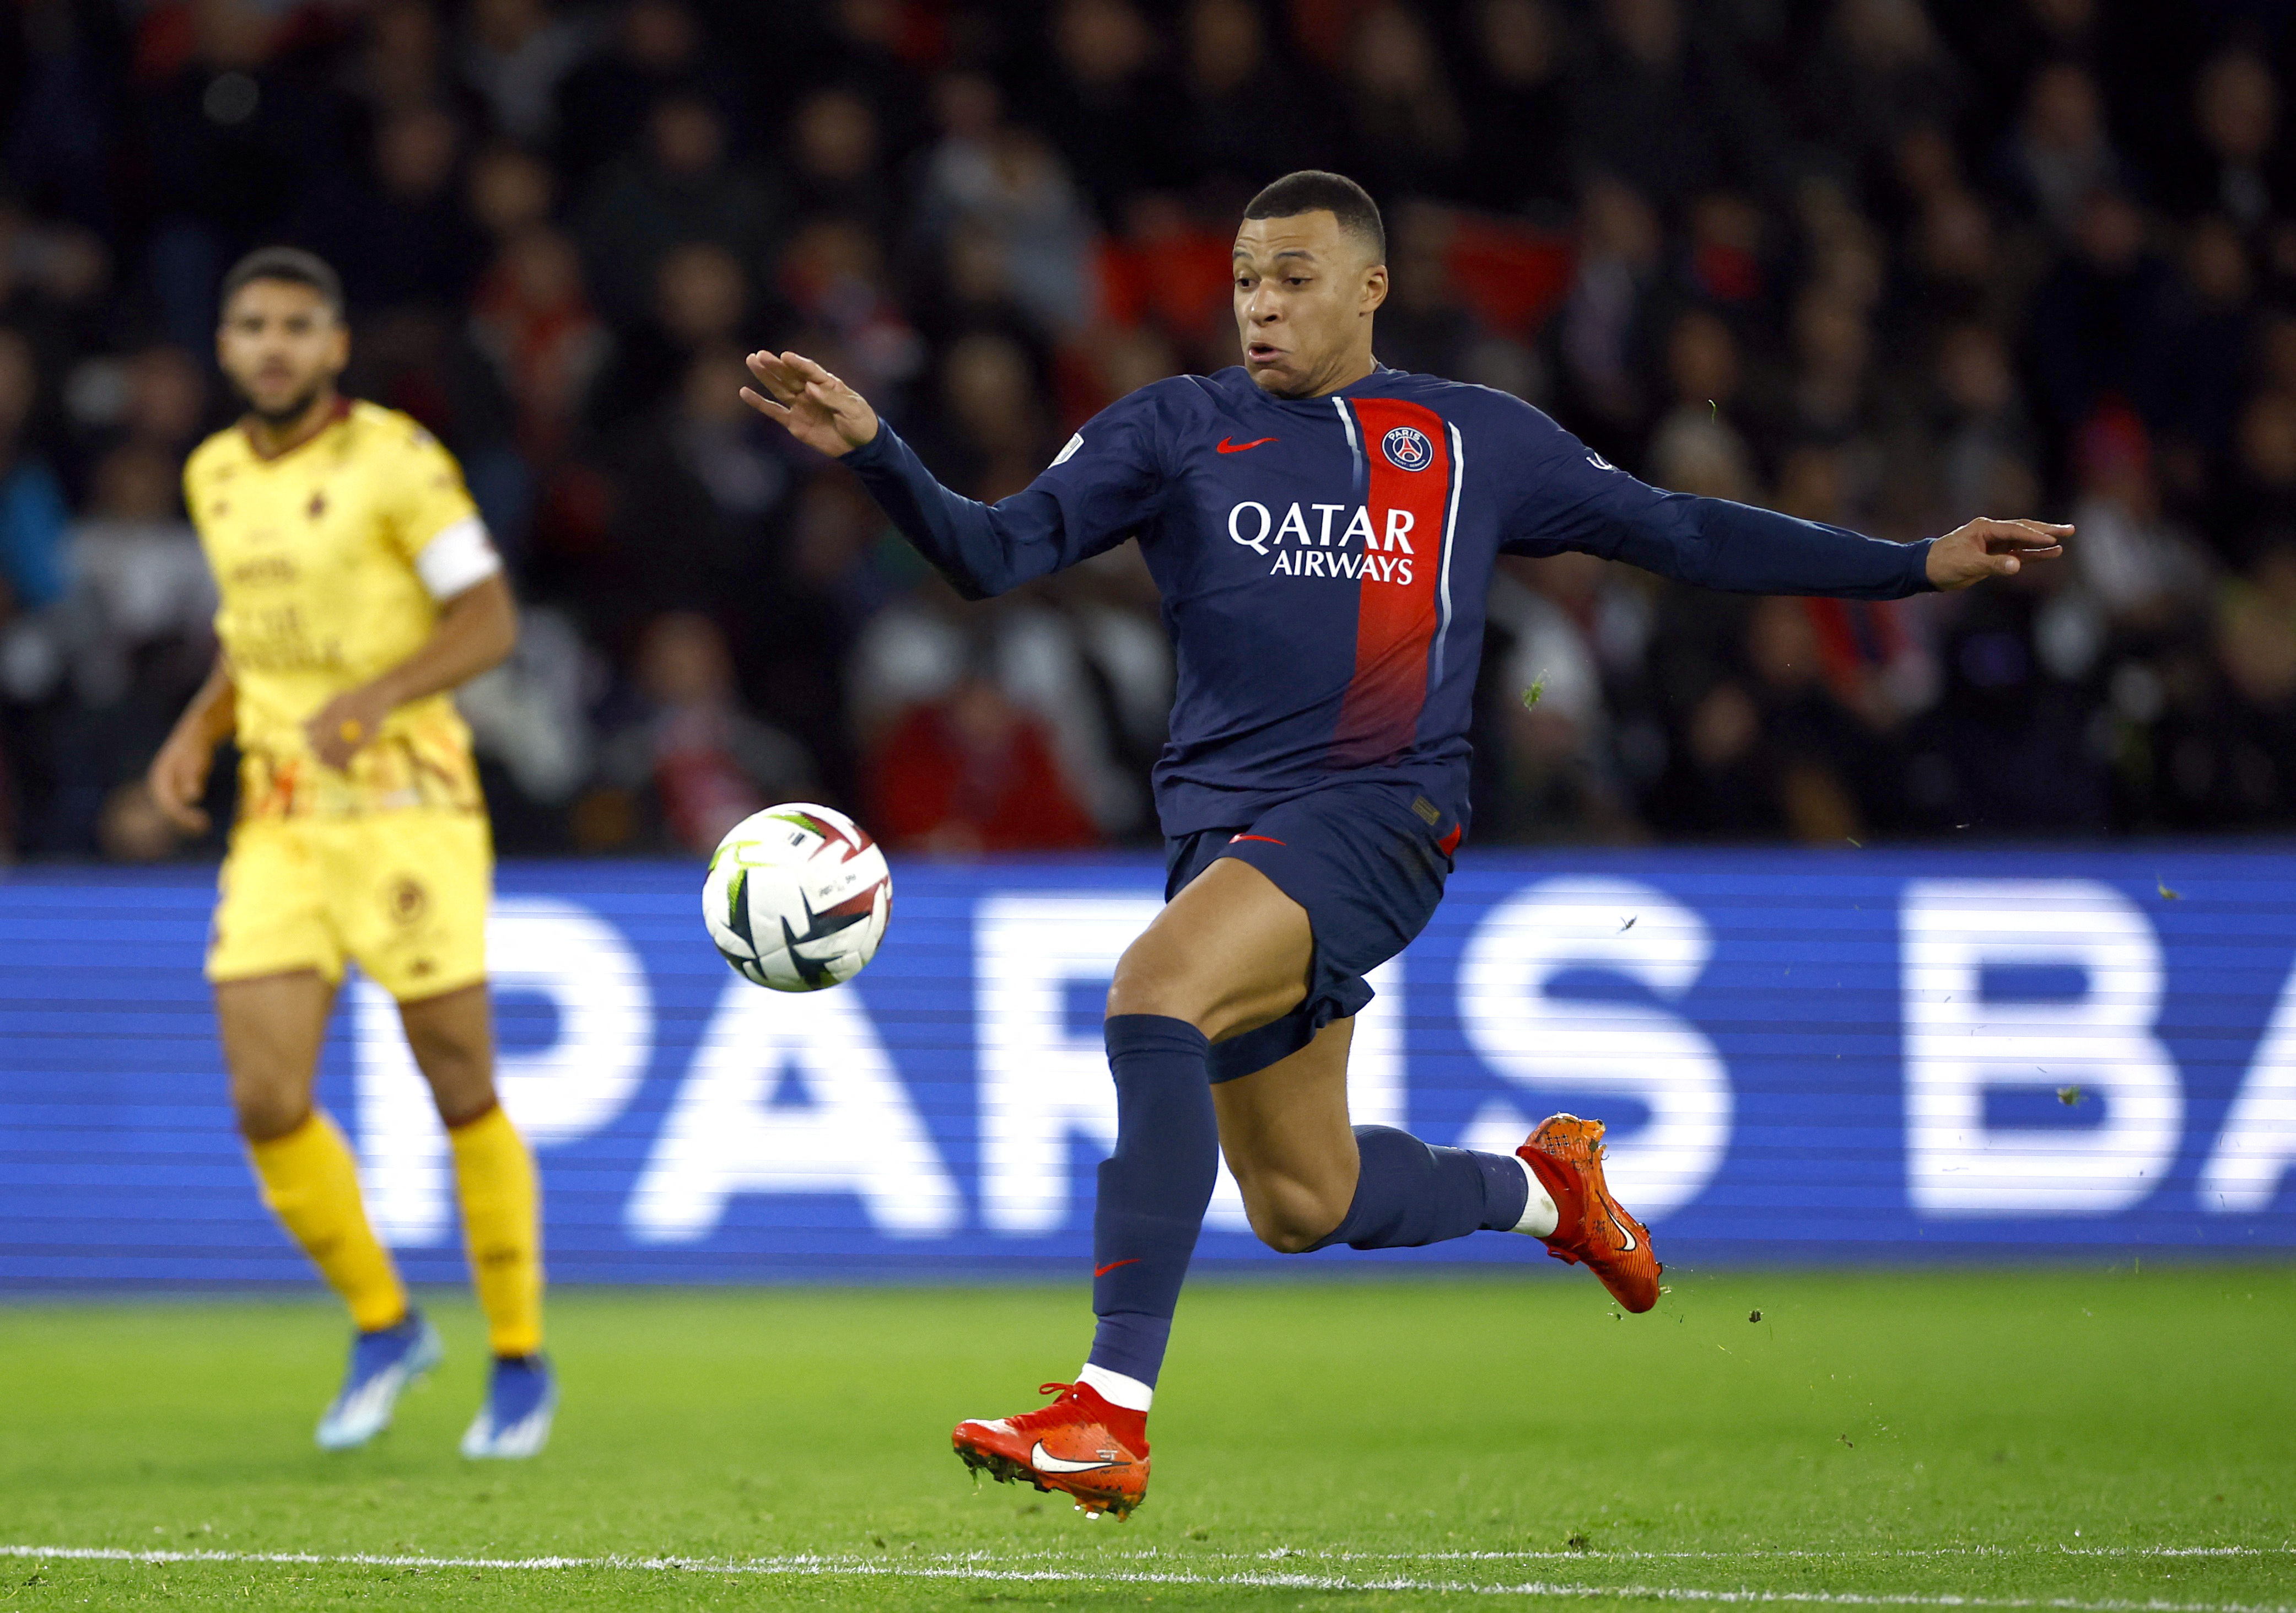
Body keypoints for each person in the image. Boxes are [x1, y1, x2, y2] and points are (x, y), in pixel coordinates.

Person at [740, 171, 2066, 1519]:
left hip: (1382, 814)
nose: (1261, 303)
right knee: (1303, 1198)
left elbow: (1679, 531)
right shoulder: (1172, 428)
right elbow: (988, 552)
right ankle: (1543, 1190)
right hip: (1226, 834)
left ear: (1370, 286)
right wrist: (874, 450)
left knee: (1153, 995)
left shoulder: (1469, 438)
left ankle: (1106, 1411)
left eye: (1295, 278)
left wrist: (1910, 565)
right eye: (1247, 279)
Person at [145, 248, 554, 1459]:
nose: (272, 343)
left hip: (405, 808)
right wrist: (196, 727)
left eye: (296, 325)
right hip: (277, 817)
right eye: (252, 324)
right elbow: (248, 639)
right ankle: (386, 1323)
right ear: (226, 346)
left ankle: (520, 1356)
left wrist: (380, 694)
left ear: (334, 347)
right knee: (266, 1096)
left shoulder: (396, 460)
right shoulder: (211, 473)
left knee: (456, 1077)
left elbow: (487, 618)